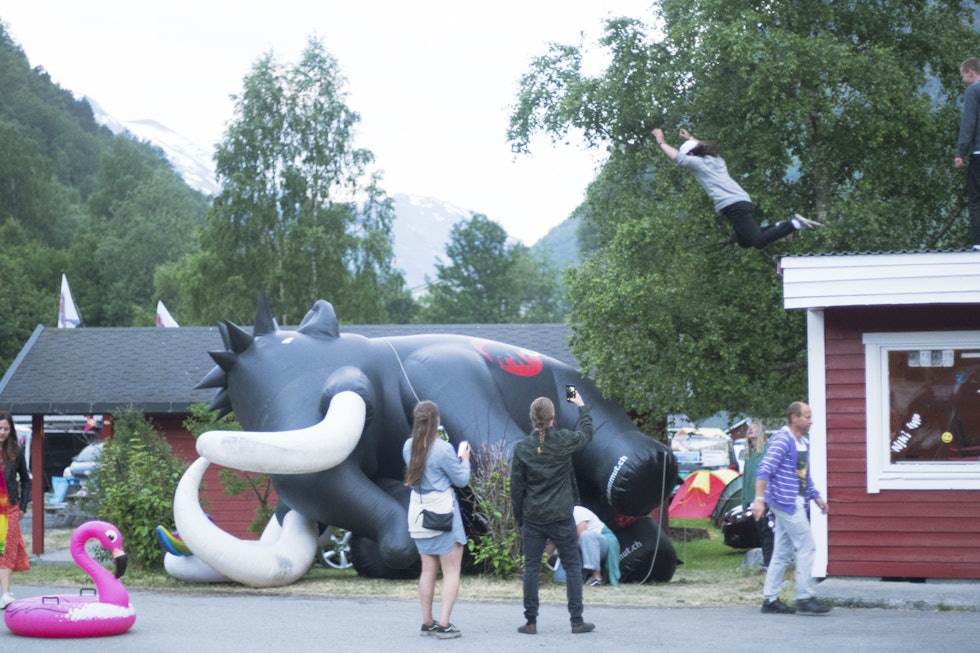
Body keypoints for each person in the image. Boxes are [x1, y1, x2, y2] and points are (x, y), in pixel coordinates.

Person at [652, 127, 823, 249]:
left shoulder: (698, 163)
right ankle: (779, 225)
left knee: (758, 242)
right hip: (741, 201)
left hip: (733, 205)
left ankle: (794, 224)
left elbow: (678, 158)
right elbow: (699, 146)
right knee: (744, 242)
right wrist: (690, 138)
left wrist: (661, 141)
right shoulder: (717, 159)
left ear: (691, 154)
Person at [511, 392, 595, 635]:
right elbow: (587, 433)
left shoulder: (523, 448)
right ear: (553, 417)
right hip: (561, 515)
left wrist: (520, 518)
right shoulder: (563, 440)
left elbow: (517, 487)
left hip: (533, 516)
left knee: (531, 568)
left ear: (531, 417)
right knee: (572, 566)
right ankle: (577, 621)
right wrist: (580, 404)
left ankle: (531, 622)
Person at [751, 402, 831, 616]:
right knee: (807, 546)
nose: (811, 421)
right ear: (794, 418)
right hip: (785, 502)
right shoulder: (782, 440)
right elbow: (764, 469)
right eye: (807, 417)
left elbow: (803, 475)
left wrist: (816, 497)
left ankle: (770, 600)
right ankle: (804, 597)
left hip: (796, 500)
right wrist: (759, 500)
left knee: (782, 552)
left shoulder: (803, 443)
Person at [403, 401, 471, 639]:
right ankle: (444, 624)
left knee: (428, 569)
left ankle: (427, 622)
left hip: (419, 514)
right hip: (443, 515)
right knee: (451, 571)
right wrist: (464, 458)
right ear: (437, 421)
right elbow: (461, 479)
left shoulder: (408, 446)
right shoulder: (443, 449)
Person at [0, 413, 31, 609]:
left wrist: (23, 506)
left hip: (10, 508)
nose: (1, 432)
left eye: (5, 428)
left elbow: (26, 481)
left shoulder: (16, 452)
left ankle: (5, 594)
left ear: (11, 430)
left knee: (6, 549)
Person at [548, 505, 620, 587]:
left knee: (585, 535)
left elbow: (580, 539)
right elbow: (551, 545)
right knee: (560, 579)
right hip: (578, 548)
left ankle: (596, 577)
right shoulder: (557, 521)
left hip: (603, 544)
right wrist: (542, 563)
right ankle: (582, 578)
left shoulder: (578, 511)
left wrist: (565, 549)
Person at [954, 57, 980, 251]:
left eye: (963, 75)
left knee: (976, 199)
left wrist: (960, 153)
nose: (963, 80)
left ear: (971, 72)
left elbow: (969, 122)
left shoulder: (973, 90)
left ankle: (978, 243)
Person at [741, 420, 774, 568]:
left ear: (760, 432)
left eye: (754, 428)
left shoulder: (767, 450)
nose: (750, 430)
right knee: (761, 531)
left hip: (765, 498)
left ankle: (769, 565)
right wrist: (744, 502)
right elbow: (745, 478)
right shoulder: (749, 454)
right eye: (749, 428)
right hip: (753, 500)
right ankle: (768, 562)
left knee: (767, 531)